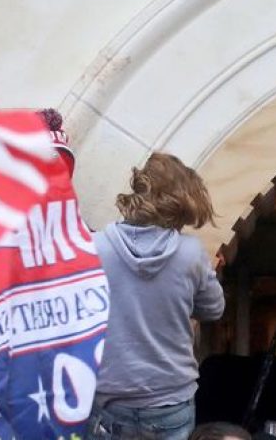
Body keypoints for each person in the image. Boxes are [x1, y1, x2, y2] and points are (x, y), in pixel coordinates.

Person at [94, 153, 226, 440]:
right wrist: (208, 272)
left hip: (109, 395)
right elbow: (213, 309)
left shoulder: (97, 247)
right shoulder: (190, 252)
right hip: (169, 396)